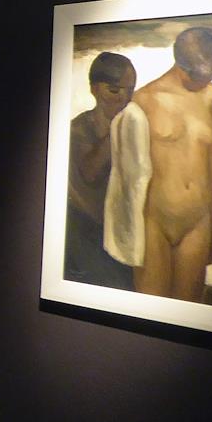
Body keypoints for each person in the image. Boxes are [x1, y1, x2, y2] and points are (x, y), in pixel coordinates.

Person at [105, 27, 212, 302]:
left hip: (197, 222)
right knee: (151, 309)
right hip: (154, 224)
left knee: (189, 310)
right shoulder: (144, 102)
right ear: (182, 68)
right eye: (204, 76)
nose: (210, 81)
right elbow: (125, 174)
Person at [65, 52, 136, 289]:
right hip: (84, 234)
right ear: (95, 89)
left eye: (130, 91)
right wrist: (117, 128)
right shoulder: (78, 129)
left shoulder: (132, 128)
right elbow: (90, 171)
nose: (124, 99)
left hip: (118, 233)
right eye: (114, 91)